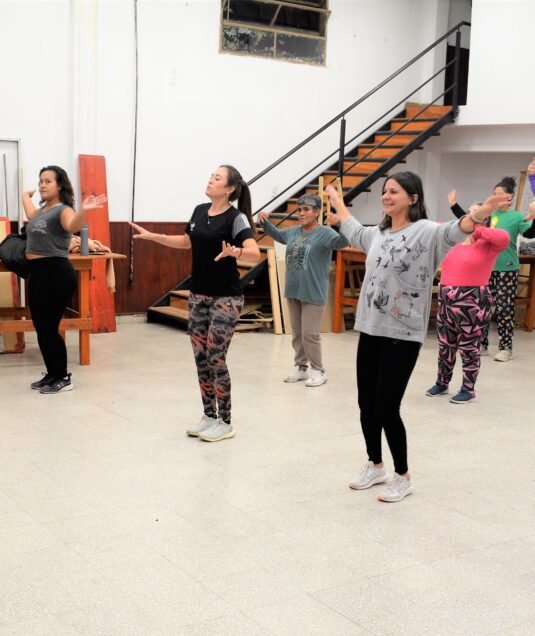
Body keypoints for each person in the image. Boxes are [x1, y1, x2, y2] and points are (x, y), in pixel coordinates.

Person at [326, 173, 507, 503]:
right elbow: (352, 228)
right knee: (366, 403)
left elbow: (458, 230)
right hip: (370, 328)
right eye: (384, 191)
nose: (386, 195)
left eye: (394, 191)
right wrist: (337, 202)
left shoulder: (427, 232)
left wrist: (481, 212)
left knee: (386, 406)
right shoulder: (378, 233)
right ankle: (375, 465)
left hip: (403, 333)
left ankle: (402, 475)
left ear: (413, 197)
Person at [130, 165, 260, 442]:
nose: (210, 180)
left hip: (226, 297)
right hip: (198, 295)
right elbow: (187, 242)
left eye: (217, 178)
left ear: (229, 189)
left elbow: (254, 252)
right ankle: (209, 415)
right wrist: (155, 237)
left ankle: (225, 421)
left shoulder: (236, 219)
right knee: (201, 358)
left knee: (215, 355)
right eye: (211, 176)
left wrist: (235, 251)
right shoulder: (200, 211)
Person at [22, 166, 106, 393]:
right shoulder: (42, 210)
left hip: (56, 273)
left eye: (47, 181)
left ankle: (63, 377)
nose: (42, 185)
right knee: (41, 328)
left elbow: (72, 226)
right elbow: (30, 215)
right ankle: (52, 374)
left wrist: (84, 211)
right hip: (38, 272)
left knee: (49, 328)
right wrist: (24, 196)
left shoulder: (63, 210)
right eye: (40, 181)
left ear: (59, 185)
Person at [258, 194, 349, 387]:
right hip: (293, 290)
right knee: (298, 333)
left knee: (310, 334)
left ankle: (318, 371)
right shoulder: (293, 232)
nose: (301, 213)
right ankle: (300, 367)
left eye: (306, 209)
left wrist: (341, 223)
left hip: (313, 291)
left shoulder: (325, 233)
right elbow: (278, 235)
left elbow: (342, 243)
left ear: (317, 212)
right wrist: (265, 223)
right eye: (299, 210)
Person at [426, 203, 509, 403]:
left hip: (473, 302)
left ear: (484, 220)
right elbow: (434, 226)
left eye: (477, 213)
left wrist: (478, 229)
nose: (471, 216)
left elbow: (503, 237)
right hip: (447, 299)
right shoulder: (452, 242)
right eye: (469, 212)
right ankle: (442, 382)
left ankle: (468, 389)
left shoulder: (489, 244)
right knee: (445, 346)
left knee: (469, 348)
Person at [448, 178, 534, 360]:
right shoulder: (489, 215)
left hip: (507, 268)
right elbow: (469, 221)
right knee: (483, 307)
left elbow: (530, 233)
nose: (496, 197)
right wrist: (454, 206)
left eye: (499, 193)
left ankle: (506, 348)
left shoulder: (516, 217)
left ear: (509, 196)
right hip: (485, 269)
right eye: (494, 194)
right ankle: (482, 345)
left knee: (504, 308)